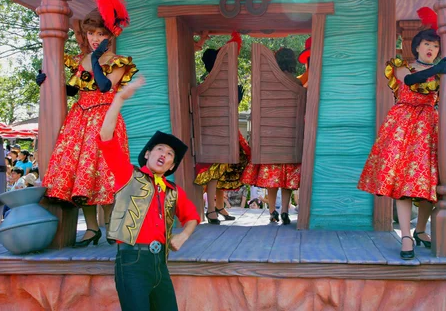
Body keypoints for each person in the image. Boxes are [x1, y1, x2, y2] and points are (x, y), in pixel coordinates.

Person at [358, 7, 446, 260]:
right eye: (427, 44)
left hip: (430, 126)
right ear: (417, 47)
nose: (431, 48)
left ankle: (420, 230)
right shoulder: (401, 65)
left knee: (432, 181)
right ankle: (405, 234)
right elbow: (409, 82)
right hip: (404, 126)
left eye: (435, 45)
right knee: (404, 182)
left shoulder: (443, 72)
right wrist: (439, 69)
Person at [38, 0, 137, 247]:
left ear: (111, 35)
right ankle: (91, 229)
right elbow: (71, 91)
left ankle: (114, 228)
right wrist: (45, 80)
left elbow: (106, 87)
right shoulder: (81, 60)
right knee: (82, 177)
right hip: (79, 120)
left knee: (107, 175)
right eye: (91, 34)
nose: (94, 39)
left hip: (105, 120)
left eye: (100, 34)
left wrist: (94, 60)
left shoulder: (118, 62)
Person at [98, 76, 200, 311]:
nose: (164, 154)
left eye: (170, 154)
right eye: (159, 149)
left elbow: (192, 217)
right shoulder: (127, 175)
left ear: (172, 166)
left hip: (160, 264)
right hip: (132, 262)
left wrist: (183, 236)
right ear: (147, 154)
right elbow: (106, 137)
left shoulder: (173, 190)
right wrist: (119, 99)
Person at [241, 48, 303, 225]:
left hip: (270, 138)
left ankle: (271, 211)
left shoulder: (268, 84)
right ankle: (284, 210)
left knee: (272, 178)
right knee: (286, 180)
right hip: (290, 138)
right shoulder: (296, 84)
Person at [194, 33, 250, 224]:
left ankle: (218, 206)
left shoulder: (217, 82)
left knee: (223, 170)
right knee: (215, 170)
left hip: (225, 130)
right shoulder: (211, 84)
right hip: (213, 133)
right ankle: (211, 210)